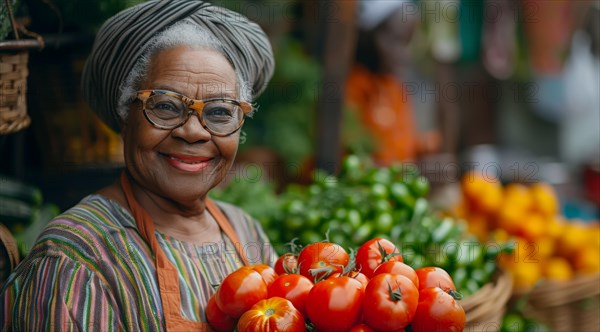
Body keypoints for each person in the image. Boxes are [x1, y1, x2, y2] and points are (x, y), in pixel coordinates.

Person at [0, 1, 276, 330]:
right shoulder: (76, 260)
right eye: (165, 106)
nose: (193, 131)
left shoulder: (245, 231)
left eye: (219, 112)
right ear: (124, 116)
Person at [345, 0, 440, 166]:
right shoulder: (351, 89)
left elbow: (403, 148)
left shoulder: (395, 89)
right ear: (369, 35)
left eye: (408, 43)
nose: (406, 55)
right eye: (397, 41)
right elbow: (352, 157)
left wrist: (425, 151)